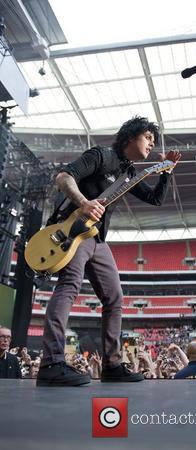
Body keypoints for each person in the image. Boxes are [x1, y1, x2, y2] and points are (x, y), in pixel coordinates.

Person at [36, 116, 181, 386]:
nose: (152, 143)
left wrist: (167, 172)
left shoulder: (129, 174)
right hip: (73, 231)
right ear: (130, 137)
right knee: (69, 286)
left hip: (97, 239)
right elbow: (63, 176)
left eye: (153, 140)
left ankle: (112, 365)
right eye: (148, 137)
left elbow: (155, 199)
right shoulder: (100, 156)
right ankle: (51, 362)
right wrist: (84, 202)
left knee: (114, 297)